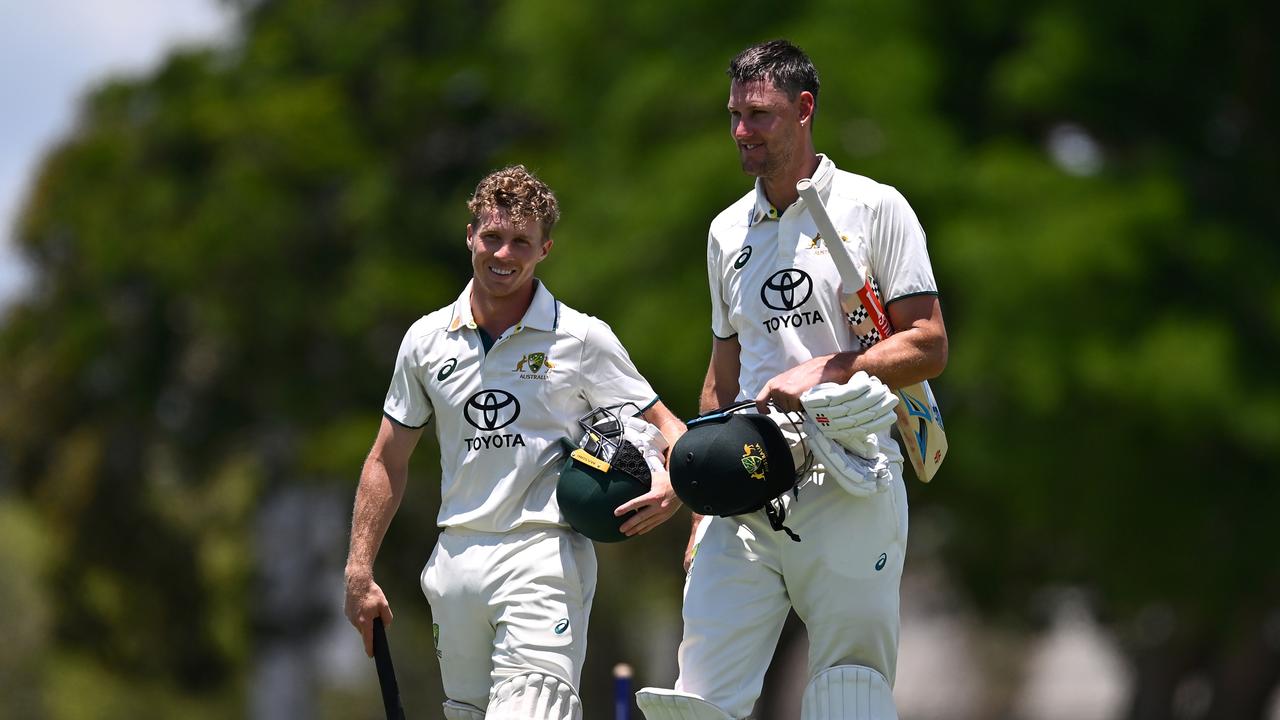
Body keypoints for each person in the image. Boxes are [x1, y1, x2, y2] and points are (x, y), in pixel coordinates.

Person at [636, 40, 948, 720]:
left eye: (760, 115)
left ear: (805, 109)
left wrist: (830, 368)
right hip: (744, 476)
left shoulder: (874, 207)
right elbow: (722, 380)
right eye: (735, 116)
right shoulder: (725, 231)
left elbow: (927, 345)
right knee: (696, 703)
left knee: (849, 692)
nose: (743, 132)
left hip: (851, 477)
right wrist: (698, 500)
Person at [344, 165, 685, 720]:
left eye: (521, 241)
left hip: (543, 556)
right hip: (455, 562)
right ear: (471, 236)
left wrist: (671, 485)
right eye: (492, 237)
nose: (503, 254)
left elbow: (671, 429)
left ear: (544, 248)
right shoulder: (426, 340)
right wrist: (359, 571)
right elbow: (387, 459)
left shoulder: (581, 338)